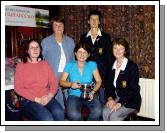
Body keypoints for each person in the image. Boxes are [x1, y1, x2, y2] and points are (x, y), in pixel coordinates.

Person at [14, 39, 64, 121]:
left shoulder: (45, 64)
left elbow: (54, 82)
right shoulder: (21, 66)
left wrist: (49, 96)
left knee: (59, 112)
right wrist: (37, 99)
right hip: (29, 100)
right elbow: (18, 88)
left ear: (40, 50)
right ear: (27, 51)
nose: (35, 49)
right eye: (32, 47)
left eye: (37, 47)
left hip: (46, 97)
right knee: (47, 118)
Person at [79, 10, 115, 104]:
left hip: (103, 76)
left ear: (99, 22)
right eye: (92, 19)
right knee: (89, 102)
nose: (94, 21)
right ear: (88, 21)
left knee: (103, 102)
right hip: (87, 76)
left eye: (96, 19)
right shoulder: (83, 37)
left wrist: (109, 76)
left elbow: (110, 58)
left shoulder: (106, 37)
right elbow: (80, 57)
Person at [59, 43, 102, 121]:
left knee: (97, 111)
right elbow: (61, 82)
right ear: (75, 53)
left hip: (90, 94)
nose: (82, 55)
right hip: (74, 95)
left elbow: (99, 81)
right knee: (73, 115)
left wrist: (93, 91)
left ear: (88, 54)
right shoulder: (69, 65)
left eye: (85, 52)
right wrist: (71, 84)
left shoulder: (92, 64)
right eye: (79, 52)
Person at [103, 38, 141, 121]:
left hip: (131, 100)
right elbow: (108, 85)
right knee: (105, 112)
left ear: (125, 50)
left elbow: (133, 90)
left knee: (114, 116)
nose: (118, 51)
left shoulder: (132, 67)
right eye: (115, 48)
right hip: (117, 97)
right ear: (112, 50)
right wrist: (110, 98)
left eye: (121, 48)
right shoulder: (111, 66)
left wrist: (119, 103)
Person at [41, 16, 75, 110]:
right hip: (52, 77)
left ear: (64, 27)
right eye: (56, 25)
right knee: (57, 106)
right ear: (52, 27)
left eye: (61, 25)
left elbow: (73, 61)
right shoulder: (45, 42)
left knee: (70, 105)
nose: (58, 27)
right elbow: (42, 62)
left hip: (67, 77)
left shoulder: (70, 41)